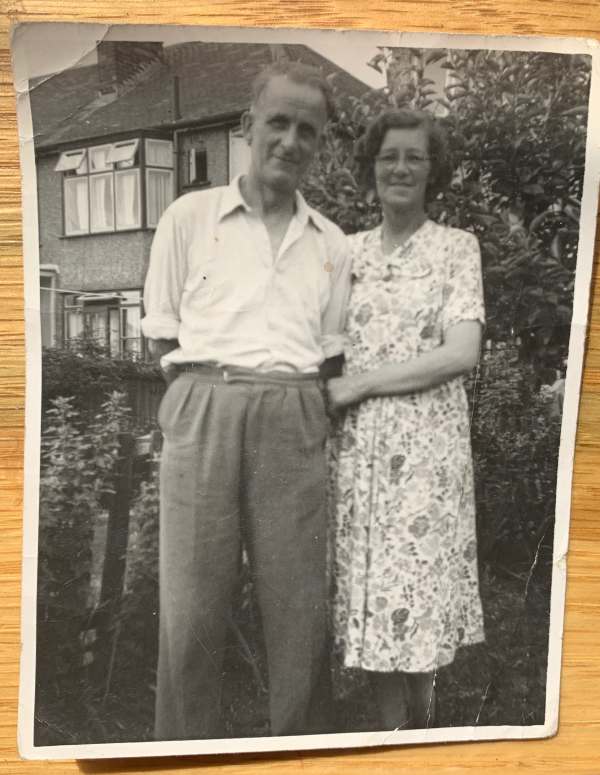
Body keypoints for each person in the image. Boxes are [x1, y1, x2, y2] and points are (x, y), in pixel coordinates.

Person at [141, 61, 352, 740]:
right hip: (204, 404)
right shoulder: (189, 217)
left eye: (307, 130)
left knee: (299, 611)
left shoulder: (333, 244)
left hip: (293, 416)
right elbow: (161, 334)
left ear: (319, 143)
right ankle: (181, 751)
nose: (291, 140)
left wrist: (292, 407)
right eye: (278, 123)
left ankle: (300, 748)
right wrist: (206, 403)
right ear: (246, 127)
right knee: (192, 611)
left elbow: (331, 353)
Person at [327, 109, 486, 730]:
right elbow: (325, 345)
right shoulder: (345, 253)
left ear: (432, 170)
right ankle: (392, 728)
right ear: (372, 167)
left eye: (414, 157)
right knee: (369, 582)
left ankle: (424, 722)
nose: (400, 167)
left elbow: (461, 352)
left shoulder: (455, 248)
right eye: (388, 155)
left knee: (416, 580)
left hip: (427, 448)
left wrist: (360, 384)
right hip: (360, 447)